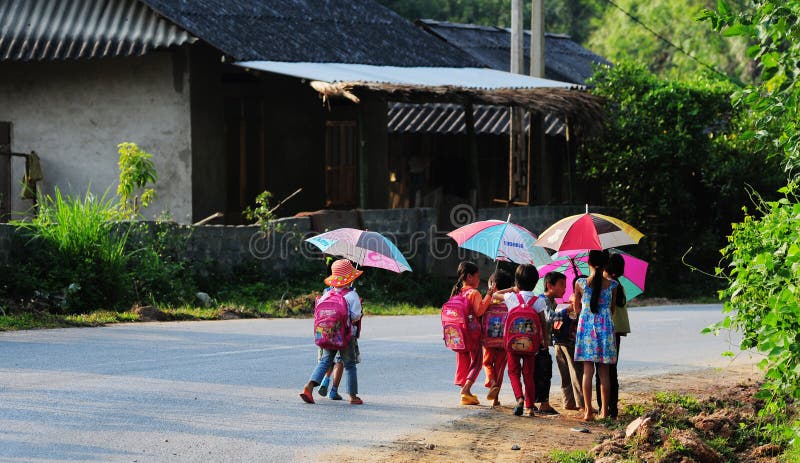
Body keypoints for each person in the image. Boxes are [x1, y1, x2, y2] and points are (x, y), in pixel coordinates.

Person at [300, 259, 364, 405]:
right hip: (346, 336)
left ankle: (309, 387)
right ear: (350, 278)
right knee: (349, 364)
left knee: (325, 361)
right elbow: (355, 316)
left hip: (328, 335)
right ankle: (353, 396)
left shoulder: (326, 294)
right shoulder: (352, 295)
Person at [573, 250, 617, 421]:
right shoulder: (613, 285)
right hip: (605, 330)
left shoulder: (580, 283)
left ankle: (588, 412)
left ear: (588, 262)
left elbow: (577, 310)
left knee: (587, 372)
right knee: (604, 373)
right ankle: (605, 412)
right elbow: (611, 310)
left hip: (587, 330)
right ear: (606, 264)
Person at [495, 264, 542, 416]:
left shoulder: (511, 297)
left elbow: (494, 295)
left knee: (513, 372)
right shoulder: (538, 301)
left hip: (512, 343)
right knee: (529, 374)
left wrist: (511, 289)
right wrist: (544, 340)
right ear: (535, 282)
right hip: (530, 344)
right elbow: (543, 322)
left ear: (516, 281)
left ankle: (519, 398)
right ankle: (529, 407)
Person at [450, 261, 493, 405]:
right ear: (469, 277)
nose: (479, 279)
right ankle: (466, 388)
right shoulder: (474, 293)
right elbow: (479, 311)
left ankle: (465, 391)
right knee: (476, 362)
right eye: (477, 276)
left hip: (458, 335)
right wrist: (488, 296)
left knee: (463, 361)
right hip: (472, 334)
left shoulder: (457, 291)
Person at [595, 252, 630, 419]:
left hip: (604, 331)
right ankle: (613, 409)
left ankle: (603, 407)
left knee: (600, 371)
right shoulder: (619, 286)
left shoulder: (606, 287)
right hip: (615, 333)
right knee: (612, 371)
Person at [532, 271, 567, 416]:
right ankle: (538, 403)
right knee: (540, 372)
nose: (564, 289)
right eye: (561, 285)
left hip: (543, 343)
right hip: (537, 344)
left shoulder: (552, 301)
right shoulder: (542, 300)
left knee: (544, 372)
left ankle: (540, 403)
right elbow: (548, 317)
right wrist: (566, 312)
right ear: (549, 285)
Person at [482, 269, 514, 407]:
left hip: (489, 340)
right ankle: (495, 399)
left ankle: (492, 382)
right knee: (500, 367)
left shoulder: (489, 300)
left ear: (493, 285)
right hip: (504, 340)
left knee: (487, 363)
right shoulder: (510, 300)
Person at [553, 291, 584, 411]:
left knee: (564, 374)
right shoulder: (577, 301)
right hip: (570, 342)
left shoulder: (566, 302)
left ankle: (568, 402)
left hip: (558, 342)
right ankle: (581, 404)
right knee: (576, 372)